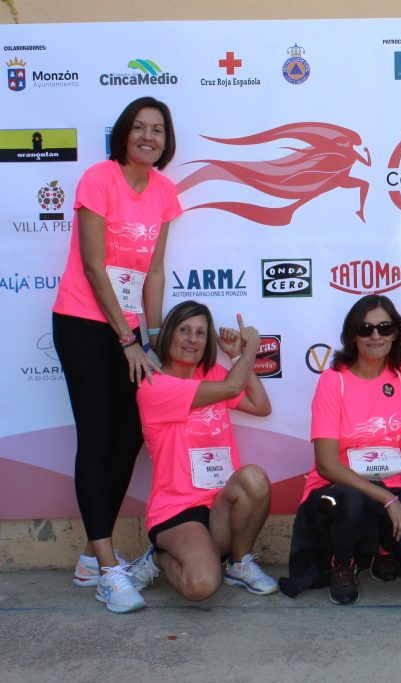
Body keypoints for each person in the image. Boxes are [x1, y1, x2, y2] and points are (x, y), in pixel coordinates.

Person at [50, 96, 181, 611]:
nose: (149, 137)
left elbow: (153, 271)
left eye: (159, 130)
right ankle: (108, 567)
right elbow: (93, 264)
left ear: (166, 142)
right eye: (140, 128)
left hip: (129, 331)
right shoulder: (99, 178)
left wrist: (151, 337)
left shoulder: (166, 191)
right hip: (83, 321)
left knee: (130, 436)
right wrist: (127, 340)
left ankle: (89, 555)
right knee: (98, 434)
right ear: (124, 134)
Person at [282, 295, 401, 605]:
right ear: (352, 335)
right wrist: (387, 499)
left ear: (395, 333)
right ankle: (342, 564)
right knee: (355, 499)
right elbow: (327, 464)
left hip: (391, 484)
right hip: (339, 489)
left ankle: (383, 549)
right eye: (366, 328)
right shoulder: (333, 382)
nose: (375, 336)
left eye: (384, 328)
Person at [126, 302, 277, 609]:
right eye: (184, 330)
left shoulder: (213, 373)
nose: (192, 339)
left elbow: (261, 406)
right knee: (203, 585)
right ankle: (159, 557)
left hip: (221, 506)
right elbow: (234, 384)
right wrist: (252, 347)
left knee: (255, 479)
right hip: (178, 511)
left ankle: (238, 562)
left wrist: (236, 355)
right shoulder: (155, 385)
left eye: (200, 333)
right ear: (168, 335)